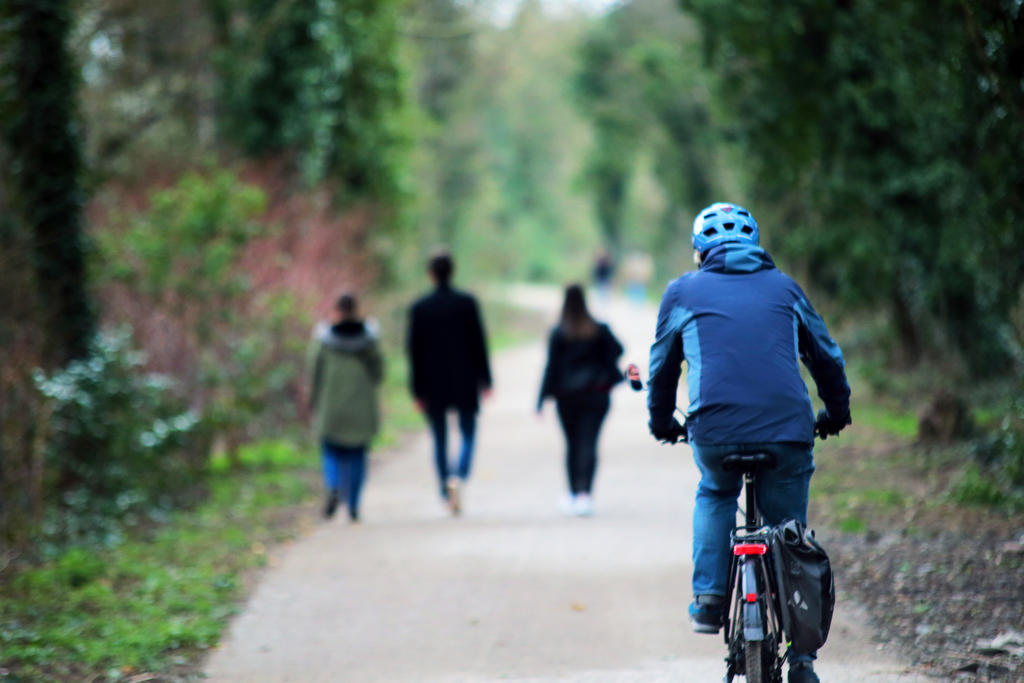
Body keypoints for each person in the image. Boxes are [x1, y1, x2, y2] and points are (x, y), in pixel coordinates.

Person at [645, 202, 850, 683]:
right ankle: (802, 663)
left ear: (700, 251)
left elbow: (660, 369)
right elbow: (827, 357)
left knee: (716, 491)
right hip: (787, 431)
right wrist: (836, 413)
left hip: (714, 432)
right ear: (754, 245)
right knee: (790, 532)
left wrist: (661, 423)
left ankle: (710, 600)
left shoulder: (682, 292)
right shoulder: (785, 288)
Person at [407, 249, 492, 515]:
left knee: (440, 438)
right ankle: (459, 474)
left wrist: (416, 389)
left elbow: (414, 352)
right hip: (465, 379)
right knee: (468, 432)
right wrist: (485, 379)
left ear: (430, 274)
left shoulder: (420, 308)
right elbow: (480, 343)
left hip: (433, 383)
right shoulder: (467, 303)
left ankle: (446, 486)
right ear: (452, 271)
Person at [537, 284, 623, 516]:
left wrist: (540, 399)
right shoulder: (599, 329)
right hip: (597, 394)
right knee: (589, 442)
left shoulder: (559, 332)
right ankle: (585, 494)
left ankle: (573, 493)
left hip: (567, 397)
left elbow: (551, 367)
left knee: (572, 443)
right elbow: (618, 350)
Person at [308, 292, 384, 523]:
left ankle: (333, 486)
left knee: (331, 450)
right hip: (361, 406)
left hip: (331, 406)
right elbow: (379, 373)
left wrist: (313, 404)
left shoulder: (323, 339)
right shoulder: (369, 339)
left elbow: (314, 374)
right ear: (357, 309)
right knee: (358, 455)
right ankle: (353, 505)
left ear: (337, 310)